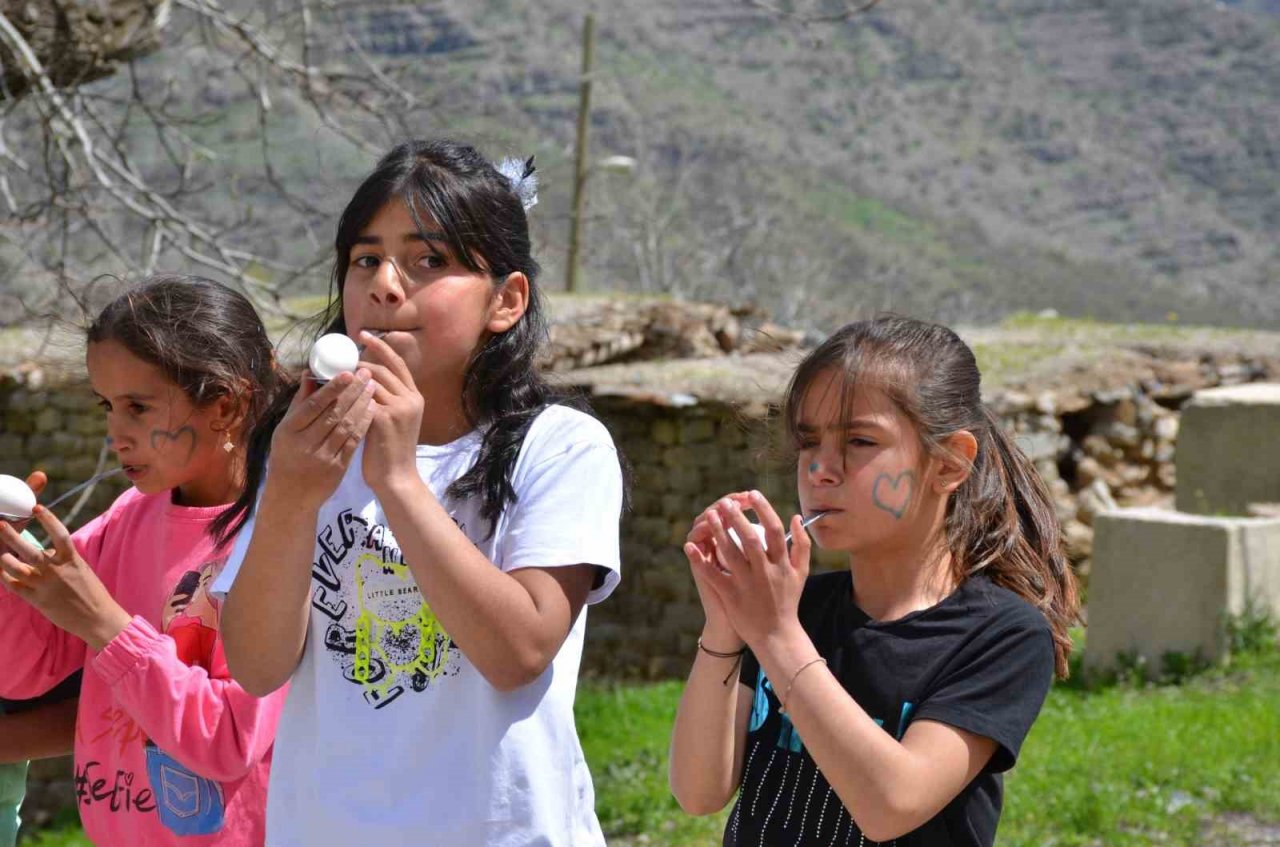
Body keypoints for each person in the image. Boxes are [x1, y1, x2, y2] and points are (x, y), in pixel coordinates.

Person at [211, 139, 624, 846]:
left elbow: (517, 651)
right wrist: (290, 498)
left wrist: (398, 480)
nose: (385, 286)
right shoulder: (307, 448)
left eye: (429, 261)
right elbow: (254, 666)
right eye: (365, 259)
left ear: (506, 300)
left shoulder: (560, 447)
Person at [669, 316, 1080, 846]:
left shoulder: (1002, 635)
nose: (821, 469)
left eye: (860, 441)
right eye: (809, 442)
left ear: (950, 463)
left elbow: (892, 805)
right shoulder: (801, 612)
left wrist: (773, 634)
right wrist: (726, 625)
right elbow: (698, 791)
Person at [0, 276, 291, 846]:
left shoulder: (278, 535)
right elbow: (20, 670)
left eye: (137, 407)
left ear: (225, 406)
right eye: (107, 405)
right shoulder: (129, 516)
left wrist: (103, 624)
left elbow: (229, 740)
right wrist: (11, 568)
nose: (115, 433)